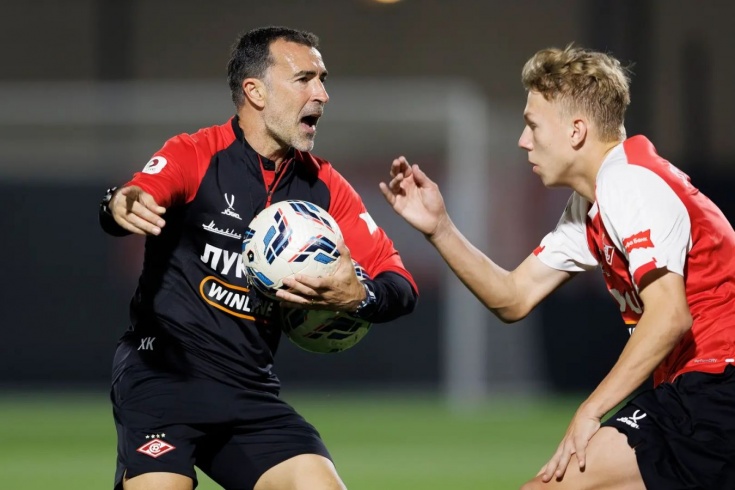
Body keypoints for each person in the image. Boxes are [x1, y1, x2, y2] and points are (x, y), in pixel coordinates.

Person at [380, 44, 735, 489]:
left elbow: (668, 316)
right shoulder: (594, 202)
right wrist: (440, 229)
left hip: (717, 383)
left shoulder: (629, 183)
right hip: (699, 389)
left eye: (533, 125)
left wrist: (590, 410)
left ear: (576, 131)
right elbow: (513, 297)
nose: (523, 140)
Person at [98, 26, 418, 490]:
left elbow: (399, 283)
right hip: (162, 378)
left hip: (248, 390)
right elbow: (137, 195)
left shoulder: (324, 187)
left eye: (323, 80)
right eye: (304, 79)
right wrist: (119, 204)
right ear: (255, 92)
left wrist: (361, 296)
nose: (322, 94)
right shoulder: (196, 154)